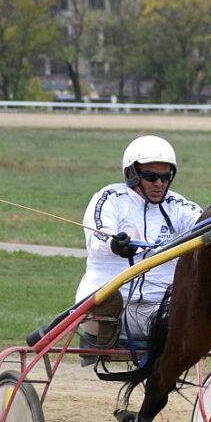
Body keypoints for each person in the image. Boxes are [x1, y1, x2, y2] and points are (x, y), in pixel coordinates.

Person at [75, 135, 202, 344]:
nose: (159, 184)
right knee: (181, 322)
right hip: (112, 305)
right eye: (151, 177)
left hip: (163, 305)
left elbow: (204, 222)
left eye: (165, 177)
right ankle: (112, 321)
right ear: (131, 174)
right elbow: (98, 235)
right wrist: (115, 245)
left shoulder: (177, 205)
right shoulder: (110, 199)